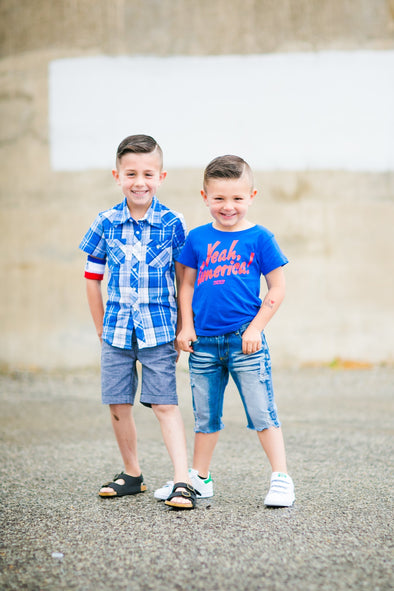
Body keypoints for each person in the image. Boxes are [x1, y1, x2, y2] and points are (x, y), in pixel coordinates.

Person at [155, 154, 295, 507]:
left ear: (252, 196)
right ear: (204, 197)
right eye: (218, 198)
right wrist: (185, 327)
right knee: (205, 416)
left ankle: (281, 478)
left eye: (236, 198)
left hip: (244, 342)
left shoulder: (261, 238)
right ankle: (199, 478)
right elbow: (185, 286)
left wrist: (256, 328)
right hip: (202, 343)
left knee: (262, 412)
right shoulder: (197, 238)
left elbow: (277, 288)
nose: (227, 206)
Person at [79, 134, 198, 509]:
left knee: (164, 403)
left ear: (161, 176)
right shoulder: (106, 222)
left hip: (159, 327)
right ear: (117, 176)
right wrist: (100, 326)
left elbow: (185, 280)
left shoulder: (173, 223)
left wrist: (184, 326)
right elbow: (92, 277)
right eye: (131, 173)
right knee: (118, 403)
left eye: (148, 173)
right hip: (115, 329)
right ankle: (132, 474)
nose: (139, 181)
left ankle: (182, 481)